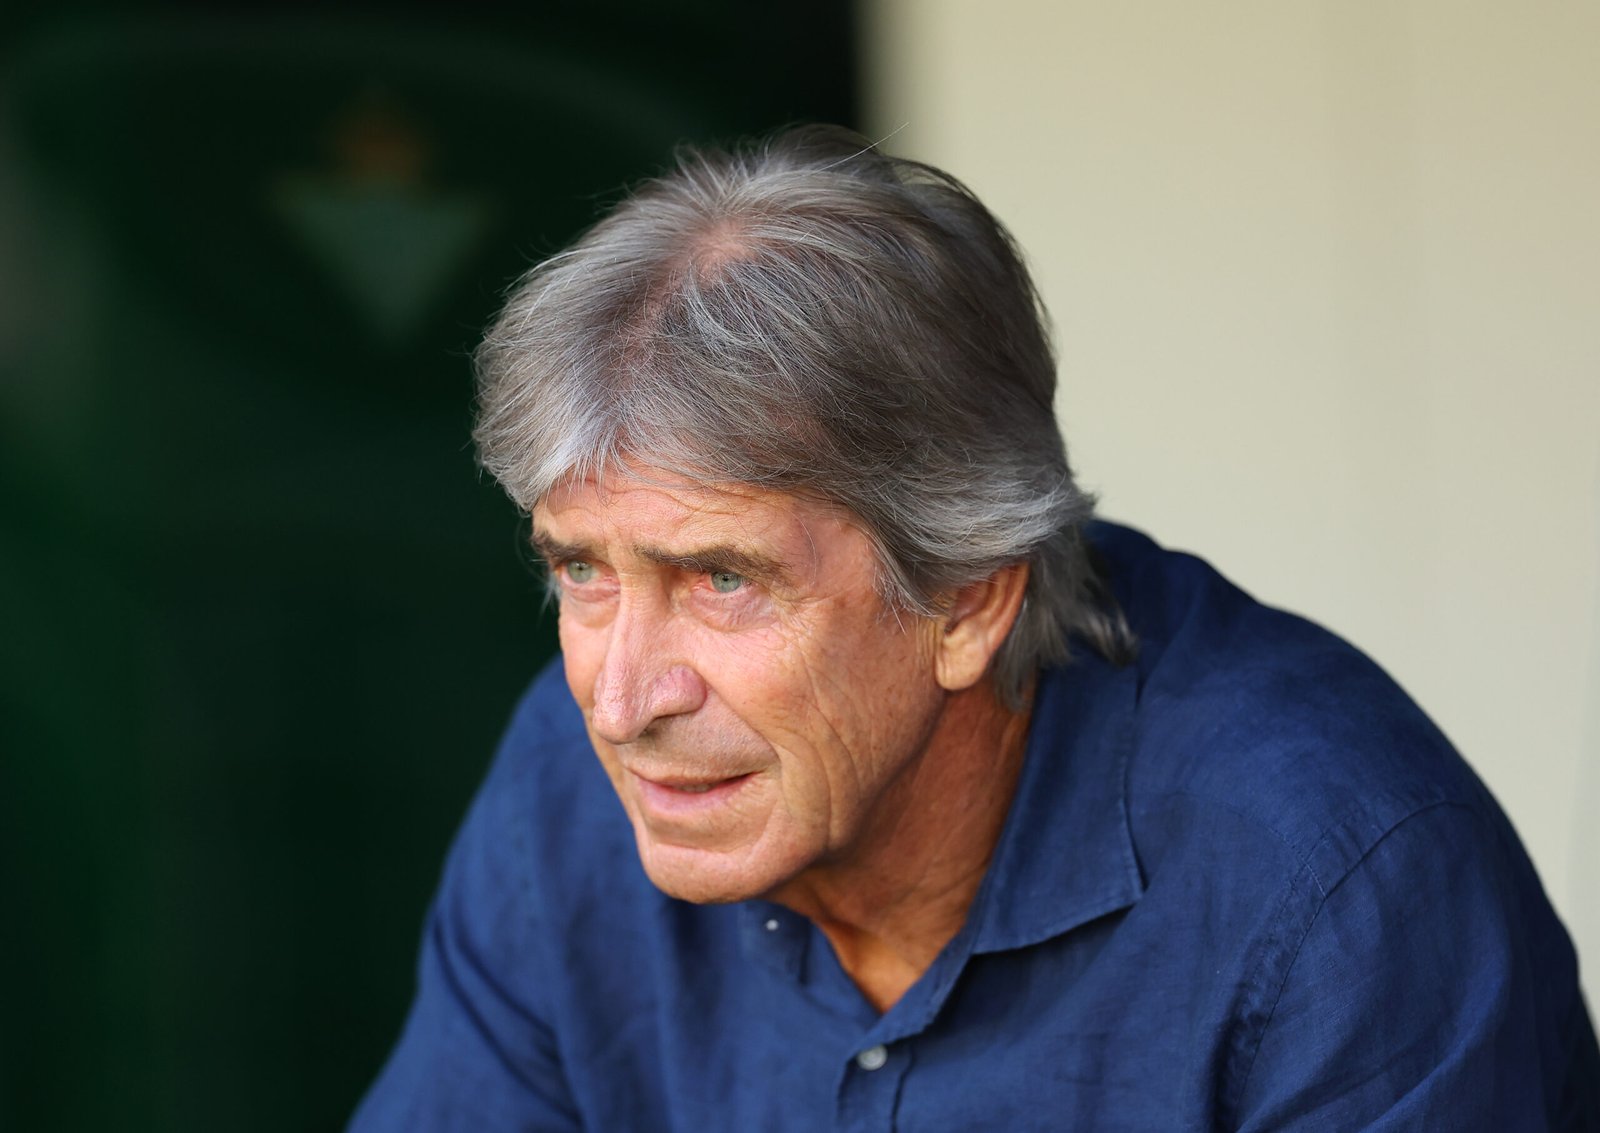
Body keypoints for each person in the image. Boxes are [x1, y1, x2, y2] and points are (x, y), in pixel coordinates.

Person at [349, 125, 1599, 1131]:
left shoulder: (1335, 882)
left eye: (721, 578)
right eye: (581, 569)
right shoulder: (569, 796)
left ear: (965, 598)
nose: (620, 703)